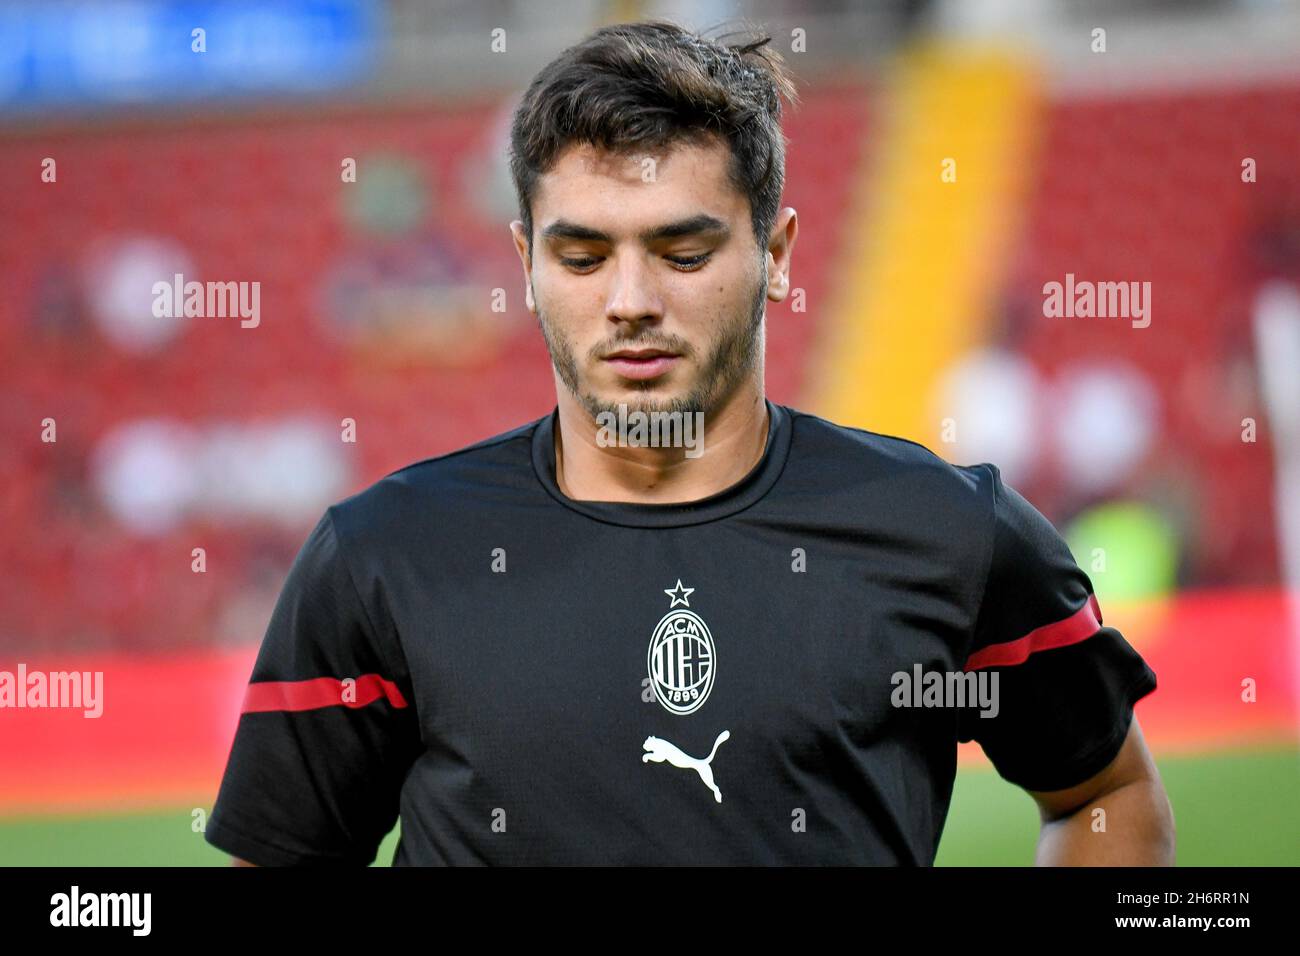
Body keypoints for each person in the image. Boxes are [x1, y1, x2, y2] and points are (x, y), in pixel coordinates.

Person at [207, 20, 1173, 866]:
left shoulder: (950, 534)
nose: (630, 302)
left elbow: (1106, 792)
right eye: (582, 256)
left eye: (684, 252)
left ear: (778, 253)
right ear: (525, 264)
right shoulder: (382, 555)